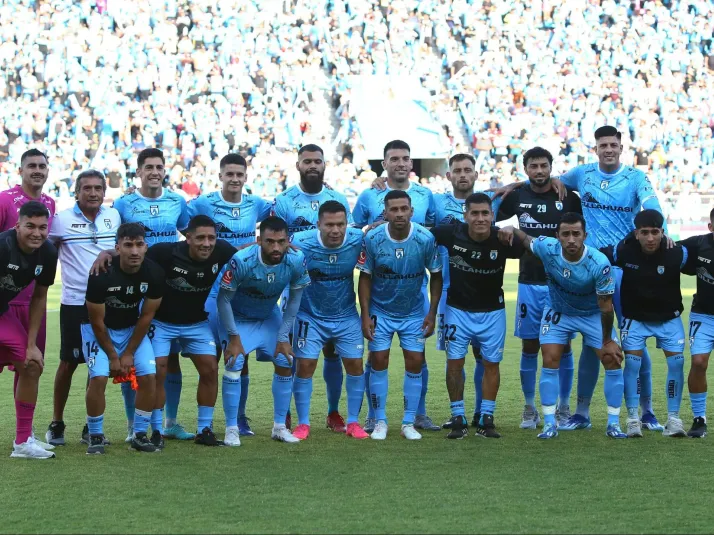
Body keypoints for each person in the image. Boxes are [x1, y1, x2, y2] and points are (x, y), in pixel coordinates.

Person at [494, 126, 668, 432]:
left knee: (631, 341)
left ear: (621, 148)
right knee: (593, 343)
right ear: (596, 148)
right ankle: (582, 412)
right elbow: (545, 179)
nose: (609, 149)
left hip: (621, 267)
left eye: (614, 145)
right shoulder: (582, 174)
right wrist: (515, 184)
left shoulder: (636, 178)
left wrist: (652, 227)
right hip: (584, 266)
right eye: (603, 145)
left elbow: (651, 207)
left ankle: (646, 410)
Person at [498, 213, 625, 440]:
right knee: (550, 357)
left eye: (576, 234)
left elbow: (606, 307)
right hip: (558, 311)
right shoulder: (547, 247)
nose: (571, 239)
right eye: (565, 234)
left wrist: (607, 341)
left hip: (591, 313)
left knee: (611, 359)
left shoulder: (599, 263)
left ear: (585, 235)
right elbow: (525, 238)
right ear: (557, 236)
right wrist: (510, 227)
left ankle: (613, 423)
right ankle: (549, 424)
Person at [354, 140, 439, 434]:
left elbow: (435, 232)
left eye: (405, 158)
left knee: (417, 358)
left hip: (415, 296)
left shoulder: (427, 195)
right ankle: (375, 417)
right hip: (381, 299)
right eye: (394, 159)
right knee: (377, 358)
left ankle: (416, 415)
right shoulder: (370, 195)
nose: (401, 163)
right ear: (385, 163)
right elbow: (355, 232)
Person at [496, 147, 582, 429]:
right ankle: (530, 407)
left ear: (551, 167)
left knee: (564, 344)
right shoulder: (515, 197)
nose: (539, 171)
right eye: (534, 166)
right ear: (526, 169)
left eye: (544, 165)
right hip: (530, 281)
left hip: (563, 281)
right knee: (530, 344)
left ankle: (564, 406)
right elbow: (499, 227)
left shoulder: (567, 196)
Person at [188, 153, 271, 437]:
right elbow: (184, 225)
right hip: (211, 288)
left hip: (243, 290)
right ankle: (205, 422)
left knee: (240, 355)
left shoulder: (256, 204)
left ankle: (239, 418)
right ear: (220, 176)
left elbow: (284, 222)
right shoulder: (203, 203)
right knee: (209, 357)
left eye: (239, 174)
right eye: (229, 174)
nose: (234, 179)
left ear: (246, 177)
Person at [112, 148, 191, 441]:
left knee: (169, 357)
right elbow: (117, 241)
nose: (154, 172)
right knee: (131, 356)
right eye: (149, 167)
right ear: (139, 172)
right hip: (134, 287)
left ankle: (170, 421)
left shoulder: (177, 202)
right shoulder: (124, 203)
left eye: (159, 167)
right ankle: (134, 424)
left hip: (168, 287)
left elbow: (187, 235)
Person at [432, 193, 525, 439]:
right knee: (455, 363)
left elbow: (536, 248)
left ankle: (487, 417)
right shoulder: (450, 233)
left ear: (493, 215)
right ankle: (458, 416)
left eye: (485, 213)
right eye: (475, 213)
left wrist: (514, 231)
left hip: (493, 312)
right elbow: (417, 232)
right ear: (466, 216)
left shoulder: (503, 238)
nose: (480, 218)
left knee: (491, 364)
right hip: (457, 310)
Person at [273, 144, 352, 432]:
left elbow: (347, 240)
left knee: (333, 352)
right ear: (298, 166)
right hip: (297, 288)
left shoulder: (337, 198)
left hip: (334, 289)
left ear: (324, 164)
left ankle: (333, 412)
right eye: (307, 161)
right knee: (294, 351)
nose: (313, 166)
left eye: (317, 161)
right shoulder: (284, 201)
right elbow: (276, 240)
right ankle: (289, 413)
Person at [216, 216, 310, 445]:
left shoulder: (296, 259)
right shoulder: (242, 260)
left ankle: (279, 426)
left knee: (285, 359)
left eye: (281, 241)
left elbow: (295, 301)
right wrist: (234, 337)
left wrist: (283, 337)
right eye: (270, 241)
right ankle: (231, 428)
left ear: (289, 240)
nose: (276, 247)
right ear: (259, 241)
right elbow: (223, 300)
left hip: (268, 315)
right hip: (237, 317)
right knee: (234, 361)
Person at [144, 215, 236, 446]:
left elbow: (247, 255)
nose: (207, 243)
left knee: (210, 369)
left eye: (211, 238)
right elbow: (133, 258)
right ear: (188, 238)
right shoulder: (164, 252)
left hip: (196, 323)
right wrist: (107, 254)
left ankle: (204, 429)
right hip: (162, 323)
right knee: (159, 371)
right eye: (201, 238)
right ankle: (156, 430)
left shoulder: (222, 250)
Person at [45, 170, 121, 446]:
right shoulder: (61, 220)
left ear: (104, 192)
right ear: (76, 192)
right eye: (86, 188)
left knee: (96, 367)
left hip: (106, 304)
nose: (92, 193)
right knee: (68, 363)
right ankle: (56, 422)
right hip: (75, 304)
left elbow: (123, 250)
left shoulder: (113, 217)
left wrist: (108, 253)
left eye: (97, 188)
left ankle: (92, 426)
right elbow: (44, 247)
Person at [600, 210, 688, 438]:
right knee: (632, 365)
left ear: (662, 233)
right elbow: (596, 257)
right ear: (636, 233)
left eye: (655, 232)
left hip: (668, 318)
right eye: (645, 233)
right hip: (635, 318)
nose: (650, 238)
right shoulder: (622, 251)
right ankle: (632, 418)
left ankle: (674, 419)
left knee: (677, 364)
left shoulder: (677, 253)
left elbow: (701, 252)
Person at [290, 201, 368, 440]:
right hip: (309, 315)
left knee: (355, 365)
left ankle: (353, 422)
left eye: (341, 224)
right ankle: (303, 423)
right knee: (305, 366)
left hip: (345, 315)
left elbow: (369, 269)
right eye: (330, 225)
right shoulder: (300, 242)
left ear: (348, 224)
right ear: (318, 225)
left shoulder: (357, 239)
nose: (335, 230)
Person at [83, 222, 164, 454]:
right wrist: (112, 356)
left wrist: (128, 353)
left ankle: (139, 435)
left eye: (139, 245)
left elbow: (147, 316)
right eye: (128, 245)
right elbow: (96, 322)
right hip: (99, 331)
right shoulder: (101, 274)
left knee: (149, 375)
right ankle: (95, 435)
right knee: (98, 377)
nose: (134, 251)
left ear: (146, 247)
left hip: (131, 329)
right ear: (117, 247)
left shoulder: (155, 273)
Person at [0, 149, 56, 441]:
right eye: (31, 165)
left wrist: (32, 343)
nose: (37, 232)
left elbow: (41, 295)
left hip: (10, 305)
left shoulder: (48, 244)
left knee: (30, 363)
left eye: (42, 165)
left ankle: (24, 438)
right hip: (8, 301)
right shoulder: (4, 202)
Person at [678, 208, 714, 438]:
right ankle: (699, 418)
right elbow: (669, 249)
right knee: (699, 363)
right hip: (704, 315)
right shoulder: (698, 244)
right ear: (711, 227)